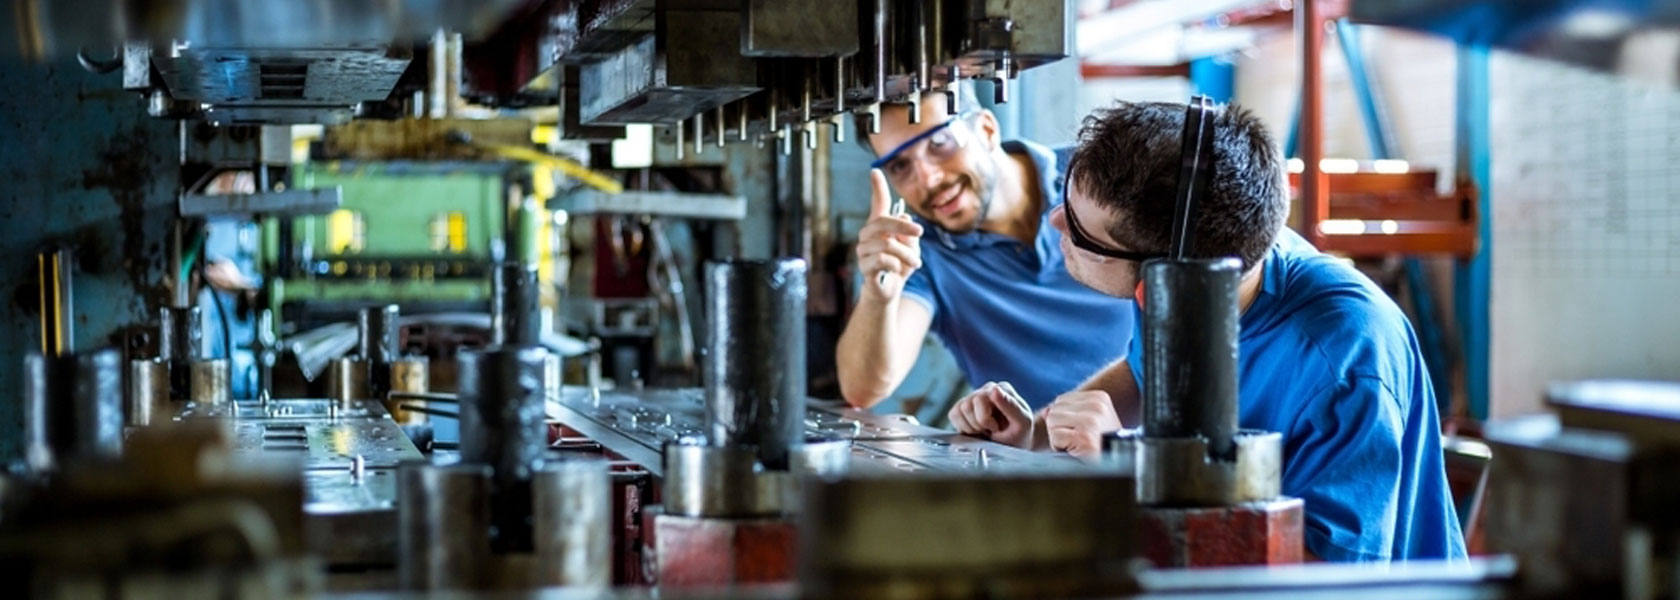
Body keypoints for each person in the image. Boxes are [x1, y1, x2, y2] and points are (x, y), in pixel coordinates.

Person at [948, 99, 1466, 562]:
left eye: (1083, 230)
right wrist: (1035, 435)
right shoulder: (1211, 264)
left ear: (1168, 269)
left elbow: (1318, 578)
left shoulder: (1344, 361)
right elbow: (1146, 374)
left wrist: (1132, 473)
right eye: (1066, 199)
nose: (1057, 221)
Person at [836, 84, 1135, 411]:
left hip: (1164, 440)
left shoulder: (1094, 175)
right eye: (900, 166)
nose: (928, 179)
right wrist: (878, 295)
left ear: (987, 129)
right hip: (1038, 456)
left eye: (940, 143)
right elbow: (863, 390)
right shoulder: (922, 253)